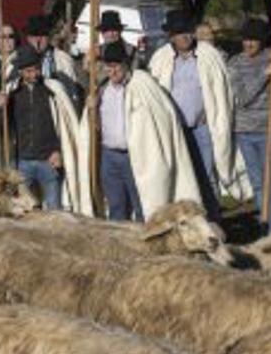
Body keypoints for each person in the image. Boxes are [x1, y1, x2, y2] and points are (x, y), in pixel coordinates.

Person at [84, 41, 202, 221]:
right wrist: (92, 110)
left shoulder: (142, 86)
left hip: (135, 157)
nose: (112, 71)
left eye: (116, 66)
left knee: (141, 204)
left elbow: (161, 118)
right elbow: (96, 127)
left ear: (125, 65)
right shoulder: (101, 90)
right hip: (109, 157)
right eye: (108, 66)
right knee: (116, 206)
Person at [148, 10, 246, 220]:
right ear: (171, 36)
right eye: (179, 33)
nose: (185, 36)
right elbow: (154, 94)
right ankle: (186, 223)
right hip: (175, 130)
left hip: (202, 128)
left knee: (207, 177)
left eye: (187, 32)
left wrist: (213, 117)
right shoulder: (161, 59)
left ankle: (213, 222)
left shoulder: (208, 56)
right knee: (180, 176)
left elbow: (222, 90)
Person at [0, 44, 84, 211]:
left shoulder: (52, 90)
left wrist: (58, 151)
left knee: (54, 210)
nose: (35, 74)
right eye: (29, 71)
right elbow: (3, 129)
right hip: (23, 162)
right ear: (21, 72)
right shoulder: (12, 92)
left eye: (36, 69)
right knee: (26, 211)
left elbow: (63, 127)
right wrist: (0, 108)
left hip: (48, 160)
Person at [227, 19, 271, 232]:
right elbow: (243, 97)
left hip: (270, 130)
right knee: (258, 184)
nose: (249, 43)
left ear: (262, 40)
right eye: (246, 39)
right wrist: (265, 73)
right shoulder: (235, 63)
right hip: (245, 132)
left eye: (253, 39)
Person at [22, 14, 83, 106]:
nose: (38, 40)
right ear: (28, 38)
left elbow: (72, 95)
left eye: (42, 35)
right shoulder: (17, 59)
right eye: (34, 35)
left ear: (48, 37)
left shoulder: (63, 60)